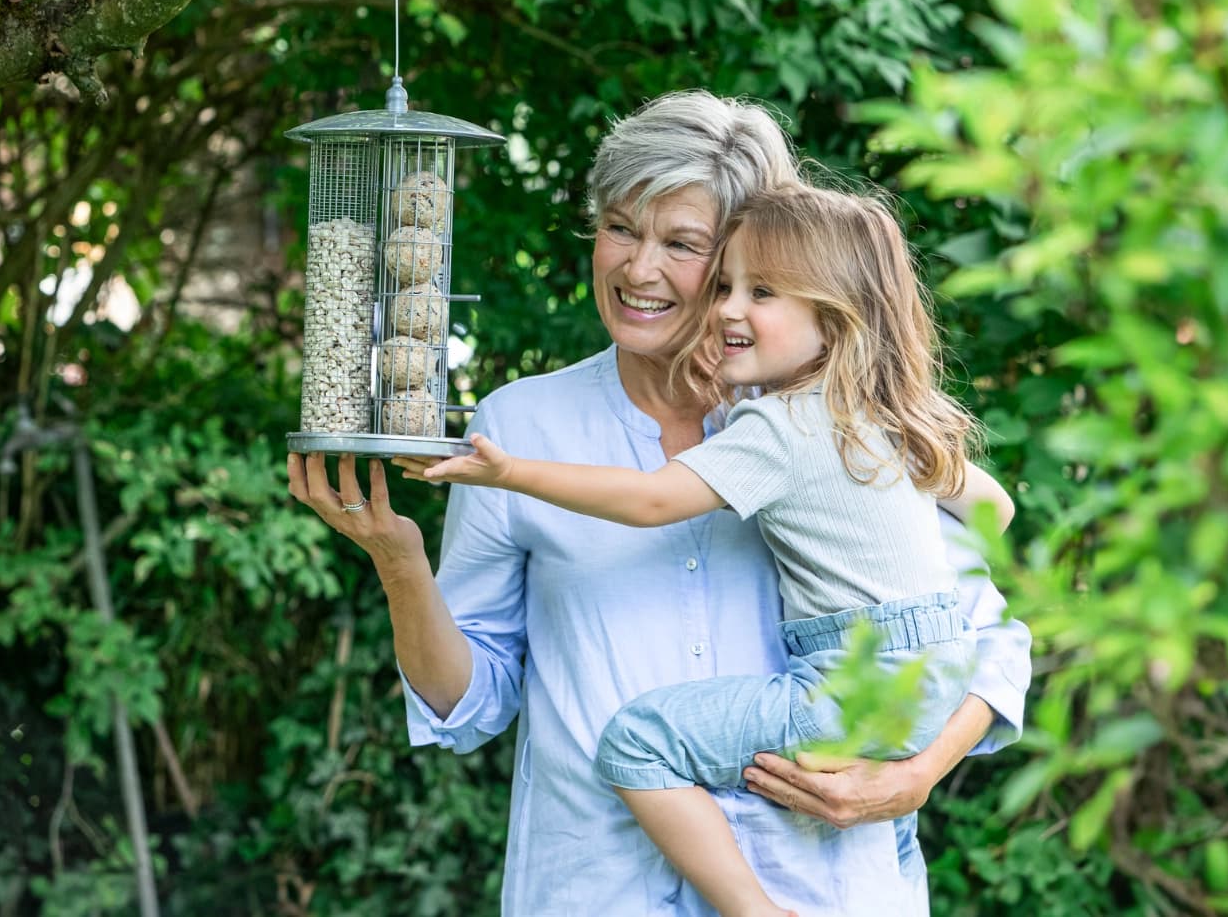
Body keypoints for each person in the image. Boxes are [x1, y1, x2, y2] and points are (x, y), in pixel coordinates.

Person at [286, 90, 1031, 916]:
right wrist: (401, 564)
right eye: (619, 227)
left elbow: (990, 640)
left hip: (820, 885)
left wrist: (911, 780)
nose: (638, 269)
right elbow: (473, 702)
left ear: (756, 258)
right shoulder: (520, 427)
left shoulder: (841, 424)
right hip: (595, 889)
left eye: (682, 243)